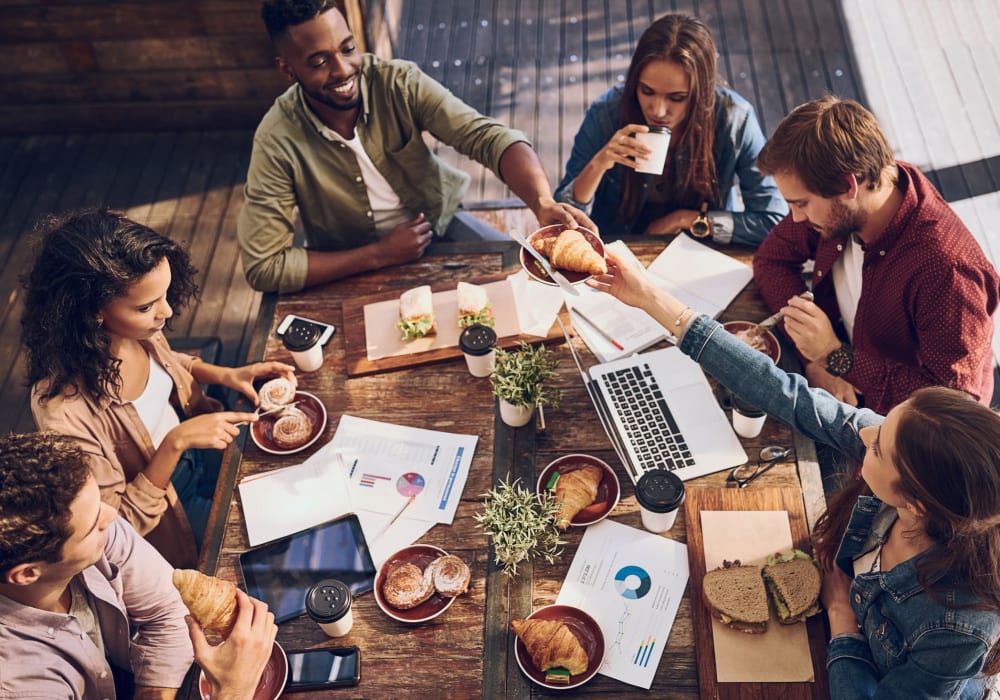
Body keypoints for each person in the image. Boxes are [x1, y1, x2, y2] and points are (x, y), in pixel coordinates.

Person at [587, 248, 1000, 698]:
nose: (864, 434)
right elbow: (787, 395)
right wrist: (649, 297)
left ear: (915, 504)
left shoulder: (958, 628)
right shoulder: (916, 465)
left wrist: (841, 616)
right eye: (880, 423)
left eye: (878, 448)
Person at [239, 0, 595, 293]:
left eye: (348, 48)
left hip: (439, 222)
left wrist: (542, 202)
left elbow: (487, 137)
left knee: (524, 286)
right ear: (287, 70)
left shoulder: (399, 83)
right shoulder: (276, 140)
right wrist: (378, 255)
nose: (343, 69)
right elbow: (264, 266)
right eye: (319, 62)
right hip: (349, 263)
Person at [21, 209, 295, 568]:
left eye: (165, 294)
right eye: (147, 306)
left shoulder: (135, 329)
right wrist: (175, 442)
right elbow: (114, 526)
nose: (166, 312)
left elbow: (168, 363)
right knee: (266, 545)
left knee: (284, 490)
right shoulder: (63, 410)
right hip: (166, 512)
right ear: (92, 311)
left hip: (203, 445)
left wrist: (225, 374)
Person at [753, 96, 999, 414]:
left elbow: (951, 409)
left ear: (849, 185)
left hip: (903, 431)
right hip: (845, 369)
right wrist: (814, 356)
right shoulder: (842, 202)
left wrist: (836, 357)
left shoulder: (948, 270)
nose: (797, 218)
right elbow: (771, 260)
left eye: (800, 203)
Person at [0, 431, 277, 700]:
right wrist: (232, 692)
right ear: (27, 573)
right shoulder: (19, 684)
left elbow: (169, 610)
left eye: (99, 504)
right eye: (91, 528)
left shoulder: (91, 520)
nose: (111, 516)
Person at [554, 13, 787, 244]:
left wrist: (689, 220)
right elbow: (562, 217)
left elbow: (773, 219)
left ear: (701, 93)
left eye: (677, 97)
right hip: (619, 246)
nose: (658, 110)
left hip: (702, 250)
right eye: (647, 91)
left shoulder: (734, 120)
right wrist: (599, 163)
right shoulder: (606, 114)